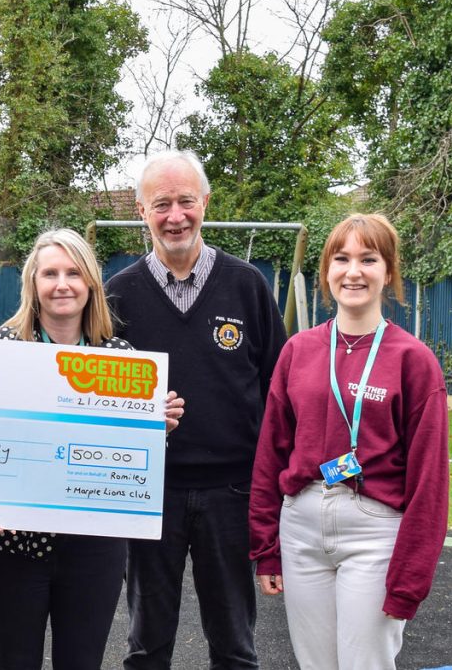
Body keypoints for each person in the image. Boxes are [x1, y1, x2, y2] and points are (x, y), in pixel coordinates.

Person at [105, 150, 287, 669]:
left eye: (186, 201)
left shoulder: (247, 285)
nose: (175, 215)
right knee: (147, 642)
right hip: (147, 489)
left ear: (205, 202)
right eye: (161, 204)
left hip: (232, 491)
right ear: (142, 211)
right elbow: (98, 399)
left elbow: (278, 389)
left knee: (234, 642)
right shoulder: (119, 295)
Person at [0, 228, 184, 670]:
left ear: (90, 283)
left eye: (73, 272)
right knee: (14, 661)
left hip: (95, 545)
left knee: (82, 662)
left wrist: (154, 429)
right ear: (33, 283)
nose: (62, 284)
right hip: (11, 543)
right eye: (50, 273)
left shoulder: (121, 359)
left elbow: (130, 461)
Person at [248, 213, 449, 670]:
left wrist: (410, 577)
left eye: (368, 259)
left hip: (374, 530)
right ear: (326, 271)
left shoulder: (413, 361)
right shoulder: (297, 350)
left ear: (389, 272)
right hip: (300, 525)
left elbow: (430, 482)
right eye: (341, 258)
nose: (353, 271)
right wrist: (265, 549)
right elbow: (271, 453)